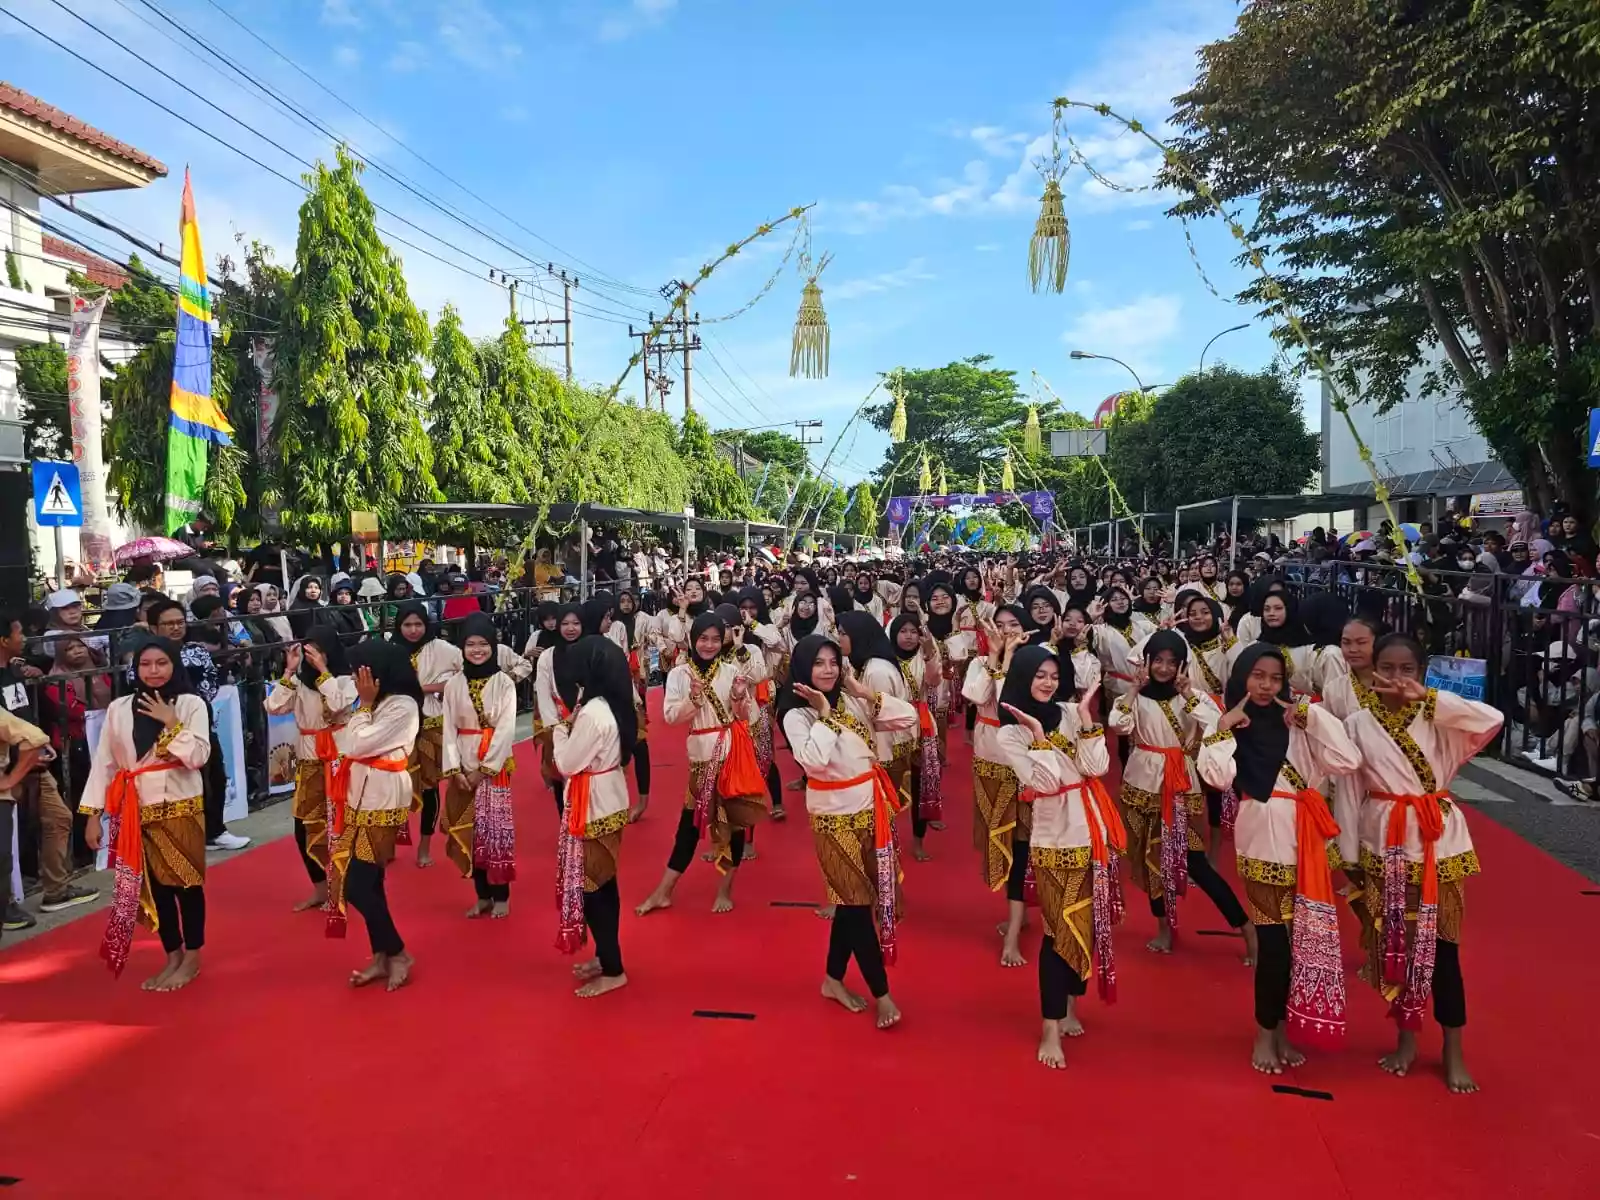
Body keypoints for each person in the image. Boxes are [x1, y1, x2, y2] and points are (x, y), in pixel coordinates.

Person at [1343, 633, 1503, 1094]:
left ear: (1420, 673)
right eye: (1388, 669)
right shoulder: (1357, 723)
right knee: (1397, 949)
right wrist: (1350, 857)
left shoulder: (1441, 716)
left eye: (1407, 669)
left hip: (1438, 845)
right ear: (1374, 671)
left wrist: (1431, 698)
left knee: (1445, 951)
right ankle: (1406, 1038)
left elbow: (1492, 720)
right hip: (1385, 842)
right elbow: (1351, 795)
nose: (1396, 678)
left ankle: (1453, 1046)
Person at [1199, 644, 1363, 1075]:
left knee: (1299, 943)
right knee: (1274, 945)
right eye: (1257, 676)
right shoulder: (1237, 725)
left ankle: (1284, 1030)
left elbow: (1347, 760)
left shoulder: (1300, 723)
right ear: (1242, 677)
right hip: (1263, 840)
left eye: (1275, 678)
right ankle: (1265, 1033)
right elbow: (1216, 777)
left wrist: (1310, 716)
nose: (1266, 686)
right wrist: (1223, 726)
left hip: (1306, 840)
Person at [994, 645, 1118, 1069]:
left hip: (1093, 829)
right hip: (1054, 837)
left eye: (1052, 675)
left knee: (1087, 922)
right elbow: (1044, 782)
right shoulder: (1009, 732)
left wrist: (1085, 721)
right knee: (1056, 928)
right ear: (1022, 677)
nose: (1046, 682)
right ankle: (1050, 1026)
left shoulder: (1068, 711)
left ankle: (1070, 1006)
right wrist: (1041, 738)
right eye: (1038, 675)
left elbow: (1096, 766)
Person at [783, 632, 912, 1029]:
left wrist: (861, 690)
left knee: (851, 901)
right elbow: (813, 762)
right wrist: (823, 714)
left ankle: (832, 979)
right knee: (856, 907)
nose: (827, 670)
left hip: (870, 810)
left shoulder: (854, 699)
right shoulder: (796, 714)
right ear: (803, 667)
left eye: (833, 662)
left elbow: (907, 717)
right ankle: (882, 993)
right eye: (818, 663)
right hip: (833, 817)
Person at [1110, 630, 1255, 960]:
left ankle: (1245, 926)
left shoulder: (1193, 696)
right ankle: (1164, 928)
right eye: (1157, 660)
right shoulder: (1134, 696)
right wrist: (1132, 688)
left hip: (1178, 786)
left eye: (1171, 662)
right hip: (1142, 783)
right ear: (1146, 661)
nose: (1163, 668)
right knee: (1150, 861)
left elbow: (1216, 724)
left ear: (1182, 665)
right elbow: (1119, 725)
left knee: (1196, 863)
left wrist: (1190, 693)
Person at [79, 637, 212, 989]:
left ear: (174, 665)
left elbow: (199, 756)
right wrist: (93, 814)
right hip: (135, 807)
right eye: (146, 665)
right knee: (154, 888)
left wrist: (172, 723)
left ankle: (194, 956)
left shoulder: (190, 703)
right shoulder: (119, 708)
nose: (153, 672)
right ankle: (173, 954)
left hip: (180, 804)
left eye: (162, 663)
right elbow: (105, 762)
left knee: (186, 882)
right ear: (136, 669)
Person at [635, 611, 766, 916]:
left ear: (723, 642)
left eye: (715, 639)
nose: (709, 645)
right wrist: (693, 701)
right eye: (703, 639)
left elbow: (747, 717)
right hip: (700, 761)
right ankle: (663, 891)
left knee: (734, 827)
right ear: (694, 640)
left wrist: (738, 698)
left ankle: (724, 889)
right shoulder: (680, 674)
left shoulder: (732, 670)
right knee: (689, 828)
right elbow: (669, 717)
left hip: (732, 756)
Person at [327, 640, 419, 991]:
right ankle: (381, 955)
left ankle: (398, 952)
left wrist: (362, 708)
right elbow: (349, 741)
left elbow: (356, 745)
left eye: (359, 671)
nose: (354, 678)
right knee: (370, 882)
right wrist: (361, 710)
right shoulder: (376, 702)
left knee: (358, 886)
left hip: (382, 797)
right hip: (358, 794)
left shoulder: (403, 705)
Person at [551, 635, 637, 997]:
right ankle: (605, 956)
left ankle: (614, 968)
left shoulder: (593, 712)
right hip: (607, 797)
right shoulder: (614, 704)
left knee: (594, 891)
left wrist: (559, 731)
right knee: (604, 884)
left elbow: (567, 763)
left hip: (594, 802)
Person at [265, 627, 357, 913]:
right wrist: (289, 672)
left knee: (341, 825)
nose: (312, 657)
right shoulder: (300, 683)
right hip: (309, 760)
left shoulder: (346, 679)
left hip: (340, 759)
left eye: (318, 650)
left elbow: (339, 705)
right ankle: (319, 888)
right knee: (304, 827)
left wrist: (322, 670)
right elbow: (273, 706)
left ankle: (344, 887)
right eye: (308, 652)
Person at [964, 605, 1033, 966]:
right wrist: (993, 656)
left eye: (1013, 626)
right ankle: (1018, 909)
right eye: (999, 626)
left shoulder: (1036, 665)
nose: (1005, 632)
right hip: (988, 760)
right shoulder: (979, 662)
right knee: (998, 838)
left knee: (1021, 844)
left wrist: (1006, 663)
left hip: (1021, 762)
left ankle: (1016, 928)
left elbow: (1010, 705)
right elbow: (975, 697)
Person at [440, 613, 518, 918]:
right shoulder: (453, 685)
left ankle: (501, 897)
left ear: (494, 646)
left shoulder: (504, 683)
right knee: (470, 833)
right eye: (470, 644)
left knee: (494, 834)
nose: (476, 650)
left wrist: (481, 770)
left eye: (483, 644)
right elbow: (447, 727)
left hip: (492, 769)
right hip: (461, 763)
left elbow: (505, 731)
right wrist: (455, 769)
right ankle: (481, 895)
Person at [391, 599, 462, 867]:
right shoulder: (392, 648)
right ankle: (389, 844)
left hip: (431, 727)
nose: (413, 630)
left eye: (418, 624)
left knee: (430, 789)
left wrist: (430, 687)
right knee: (394, 787)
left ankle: (424, 847)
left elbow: (466, 673)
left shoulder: (442, 648)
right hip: (397, 728)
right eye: (407, 625)